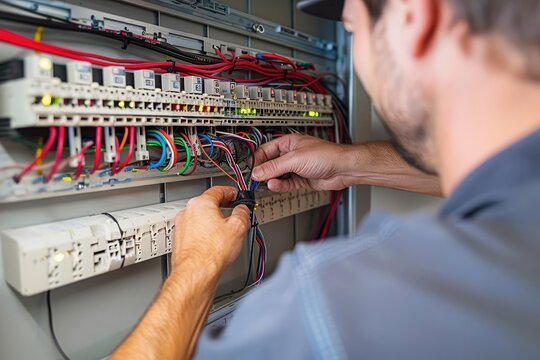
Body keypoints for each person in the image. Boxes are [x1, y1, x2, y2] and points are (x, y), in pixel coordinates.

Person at [111, 0, 540, 358]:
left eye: (353, 29)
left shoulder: (334, 307)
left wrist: (194, 269)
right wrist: (350, 164)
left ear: (415, 20)